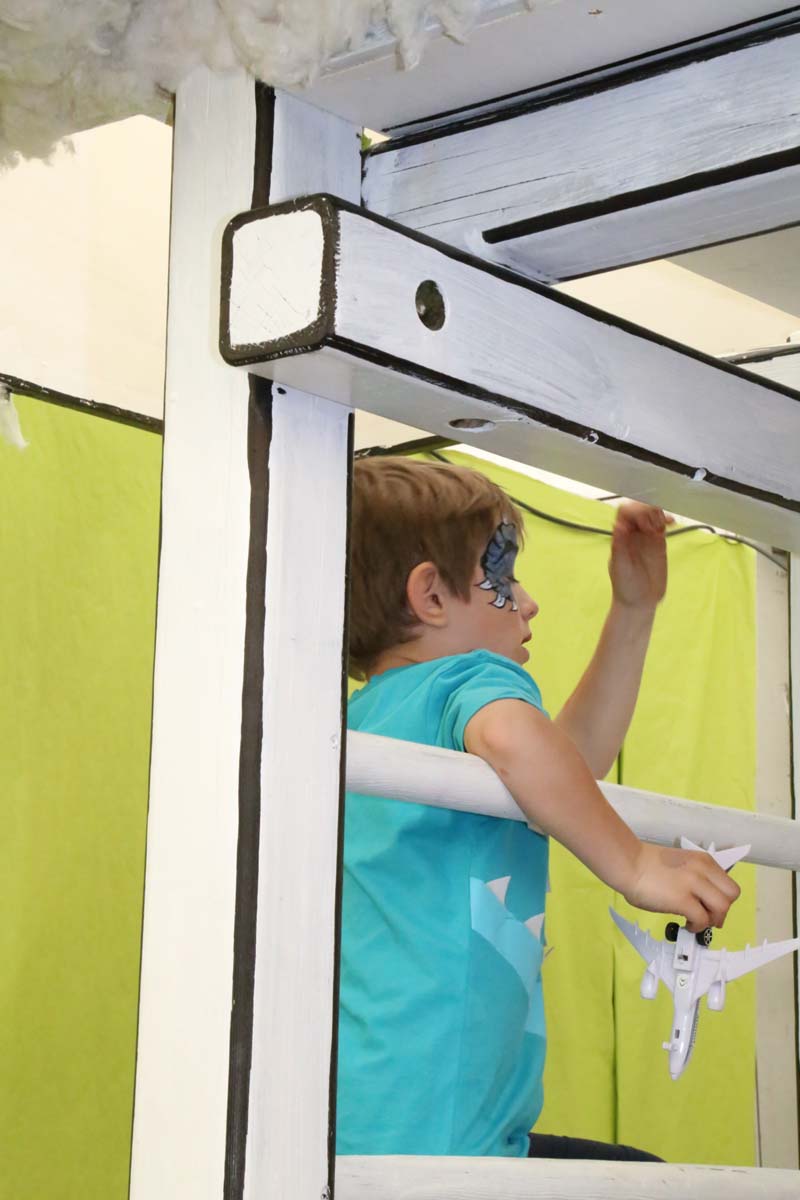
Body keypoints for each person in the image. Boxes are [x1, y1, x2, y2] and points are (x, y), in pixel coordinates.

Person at [337, 455, 739, 1161]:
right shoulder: (465, 679)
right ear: (430, 597)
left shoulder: (369, 718)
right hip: (438, 1127)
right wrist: (635, 863)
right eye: (503, 578)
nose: (527, 602)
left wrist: (634, 609)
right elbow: (518, 741)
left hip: (387, 1115)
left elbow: (565, 766)